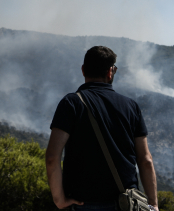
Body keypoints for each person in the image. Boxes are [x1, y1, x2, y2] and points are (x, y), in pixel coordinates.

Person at [46, 46, 159, 211]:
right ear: (110, 72)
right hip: (125, 203)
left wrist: (59, 200)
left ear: (83, 70)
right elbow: (145, 160)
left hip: (82, 203)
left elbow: (51, 158)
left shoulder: (71, 103)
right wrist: (153, 204)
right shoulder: (131, 107)